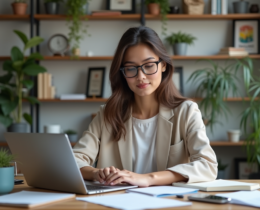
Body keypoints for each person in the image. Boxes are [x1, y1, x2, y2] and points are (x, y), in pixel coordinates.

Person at [73, 26, 217, 187]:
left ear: (163, 65)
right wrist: (96, 173)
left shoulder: (186, 111)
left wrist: (148, 178)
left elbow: (208, 165)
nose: (140, 77)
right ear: (122, 72)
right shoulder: (107, 114)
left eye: (149, 66)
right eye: (131, 68)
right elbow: (73, 161)